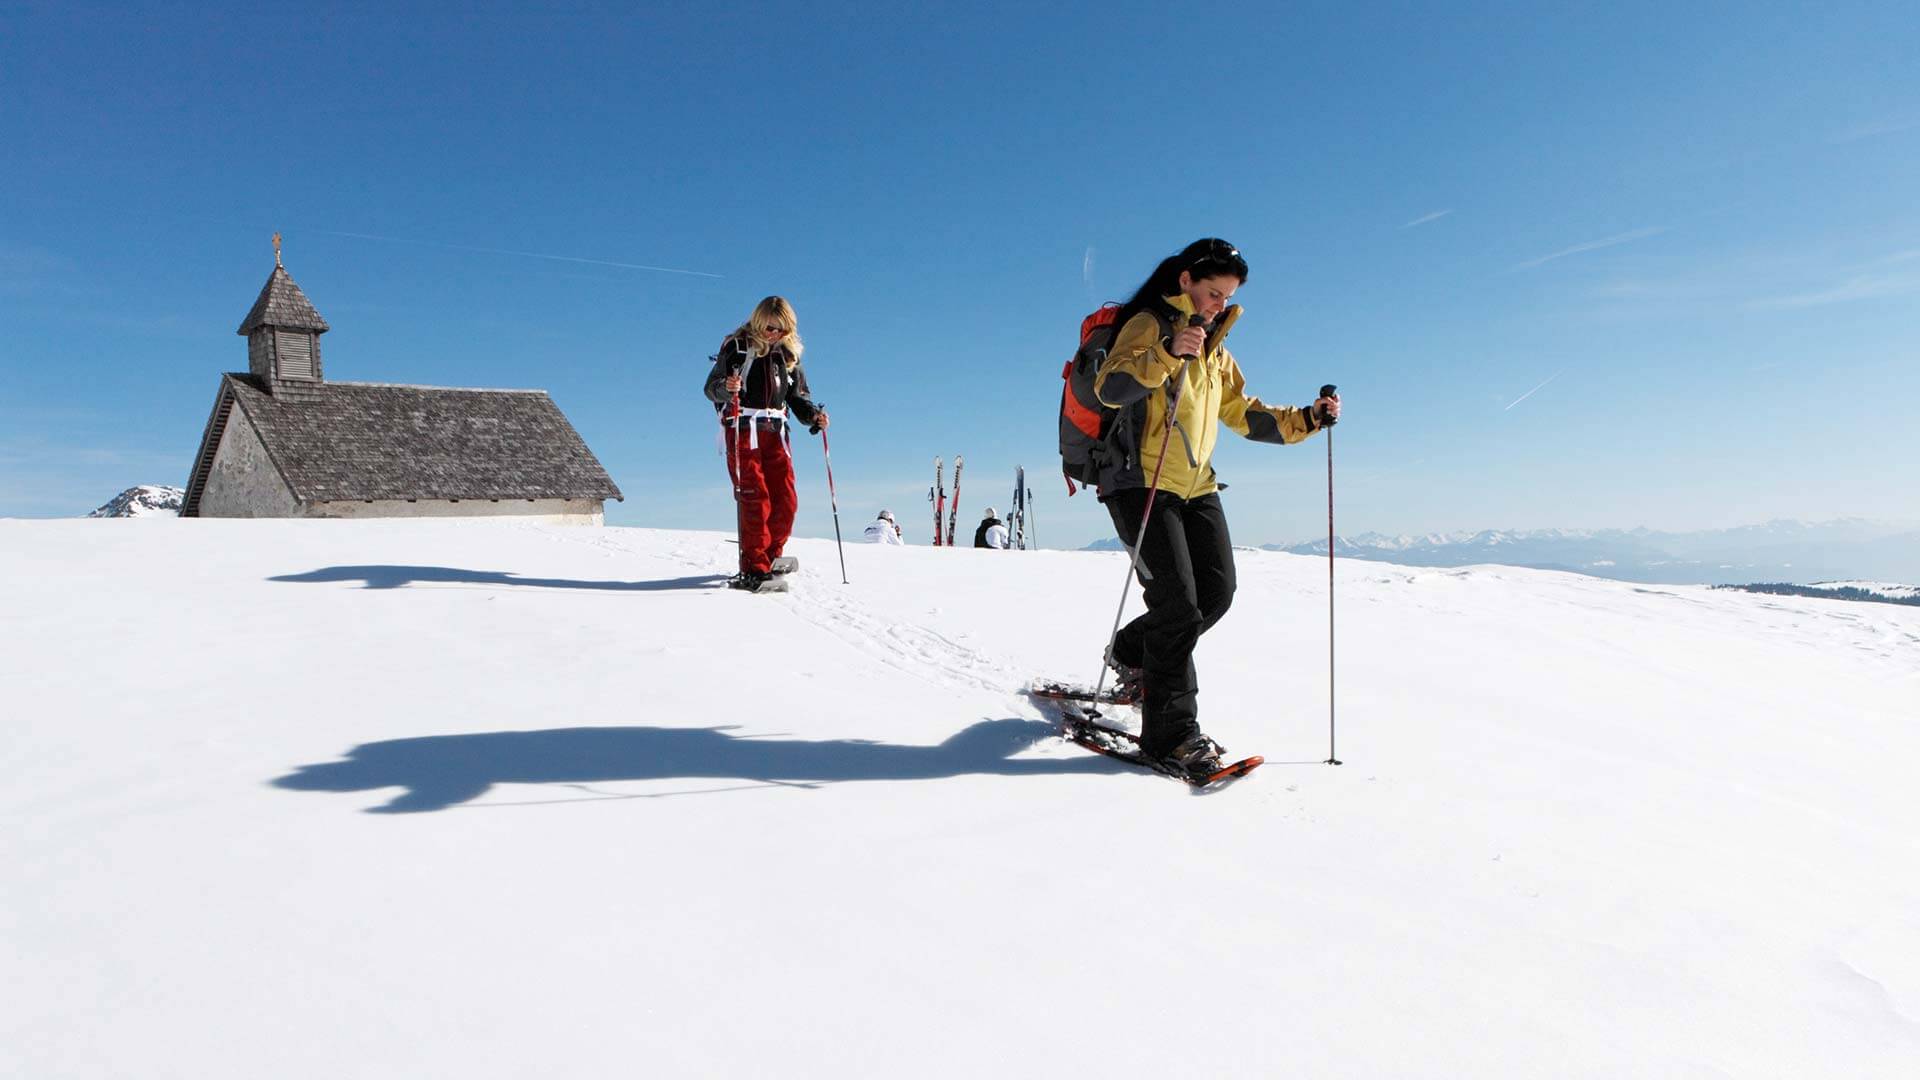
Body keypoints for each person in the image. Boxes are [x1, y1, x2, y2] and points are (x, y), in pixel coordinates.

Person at [1092, 238, 1340, 777]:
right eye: (1211, 293)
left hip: (1197, 486)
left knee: (1215, 592)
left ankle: (1133, 653)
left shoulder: (1215, 350)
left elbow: (1243, 415)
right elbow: (1110, 387)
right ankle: (1171, 736)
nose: (1216, 305)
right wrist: (1165, 352)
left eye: (1226, 297)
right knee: (1178, 606)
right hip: (1141, 483)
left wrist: (1309, 418)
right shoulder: (1150, 325)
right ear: (1185, 281)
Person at [702, 296, 828, 592]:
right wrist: (726, 387)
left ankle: (772, 555)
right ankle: (754, 567)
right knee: (755, 497)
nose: (776, 334)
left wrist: (813, 417)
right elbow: (711, 388)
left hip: (776, 430)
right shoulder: (737, 347)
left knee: (785, 499)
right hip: (744, 429)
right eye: (772, 328)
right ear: (760, 321)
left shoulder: (787, 355)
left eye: (783, 330)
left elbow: (798, 398)